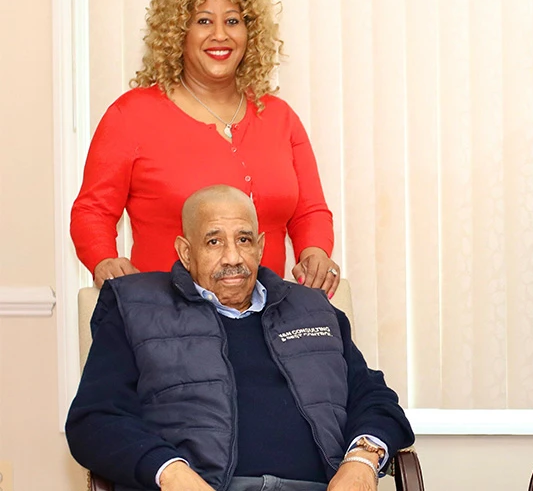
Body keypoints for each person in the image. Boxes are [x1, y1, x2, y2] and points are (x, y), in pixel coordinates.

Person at [65, 185, 413, 491]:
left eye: (243, 240)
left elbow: (376, 400)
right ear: (186, 252)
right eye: (214, 241)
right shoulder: (135, 309)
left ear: (260, 246)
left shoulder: (313, 309)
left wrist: (363, 460)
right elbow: (94, 420)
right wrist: (168, 472)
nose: (232, 258)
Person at [70, 0, 340, 296]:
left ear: (249, 33)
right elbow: (92, 211)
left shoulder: (279, 117)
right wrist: (104, 260)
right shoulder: (130, 115)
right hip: (167, 321)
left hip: (263, 317)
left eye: (232, 21)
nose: (220, 35)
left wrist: (315, 252)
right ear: (177, 32)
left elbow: (310, 212)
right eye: (203, 21)